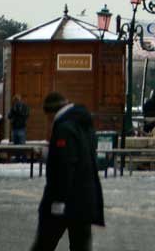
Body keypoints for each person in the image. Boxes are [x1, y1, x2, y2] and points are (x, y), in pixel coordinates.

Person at [31, 91, 104, 251]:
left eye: (48, 117)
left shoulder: (64, 127)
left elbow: (65, 165)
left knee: (44, 244)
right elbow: (79, 156)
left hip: (66, 201)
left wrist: (58, 200)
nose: (49, 122)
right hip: (84, 199)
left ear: (52, 112)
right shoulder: (83, 123)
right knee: (80, 245)